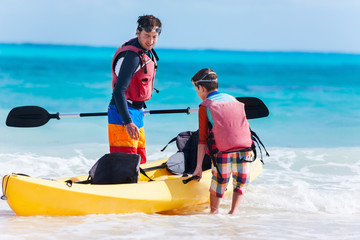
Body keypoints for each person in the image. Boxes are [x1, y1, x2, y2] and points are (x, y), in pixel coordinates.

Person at [191, 68, 254, 214]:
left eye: (196, 89)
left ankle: (214, 214)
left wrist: (198, 167)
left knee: (218, 184)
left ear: (200, 87)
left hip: (222, 152)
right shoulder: (233, 99)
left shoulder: (205, 105)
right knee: (240, 183)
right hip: (245, 150)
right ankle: (233, 212)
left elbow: (202, 139)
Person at [108, 15, 161, 164]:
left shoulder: (146, 51)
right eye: (146, 36)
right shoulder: (132, 57)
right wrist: (127, 121)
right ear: (138, 32)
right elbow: (119, 91)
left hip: (136, 112)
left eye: (154, 37)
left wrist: (139, 110)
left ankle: (139, 183)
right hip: (122, 113)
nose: (150, 41)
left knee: (140, 158)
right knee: (126, 162)